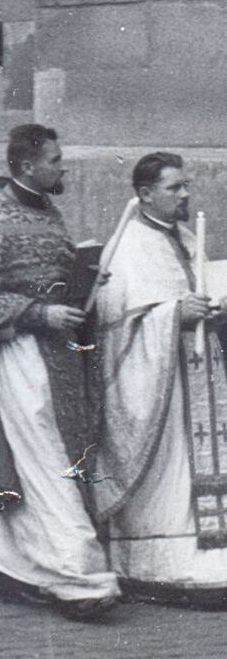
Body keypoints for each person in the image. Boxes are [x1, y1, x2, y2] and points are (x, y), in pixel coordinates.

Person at [0, 124, 119, 620]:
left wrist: (85, 282)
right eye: (55, 160)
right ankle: (79, 576)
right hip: (20, 357)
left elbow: (53, 280)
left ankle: (11, 570)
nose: (63, 167)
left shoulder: (48, 211)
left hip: (59, 356)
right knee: (49, 460)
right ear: (26, 166)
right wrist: (40, 314)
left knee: (35, 461)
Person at [93, 152, 227, 608]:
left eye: (186, 186)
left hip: (198, 379)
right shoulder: (128, 247)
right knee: (169, 470)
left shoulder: (186, 238)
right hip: (156, 388)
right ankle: (155, 564)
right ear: (145, 194)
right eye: (175, 188)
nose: (186, 194)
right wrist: (173, 315)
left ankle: (208, 554)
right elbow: (113, 328)